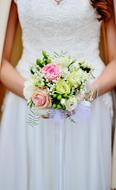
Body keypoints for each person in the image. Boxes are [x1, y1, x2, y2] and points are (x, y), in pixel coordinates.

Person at [0, 0, 116, 190]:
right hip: (28, 105)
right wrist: (33, 93)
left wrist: (87, 93)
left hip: (89, 106)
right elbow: (1, 63)